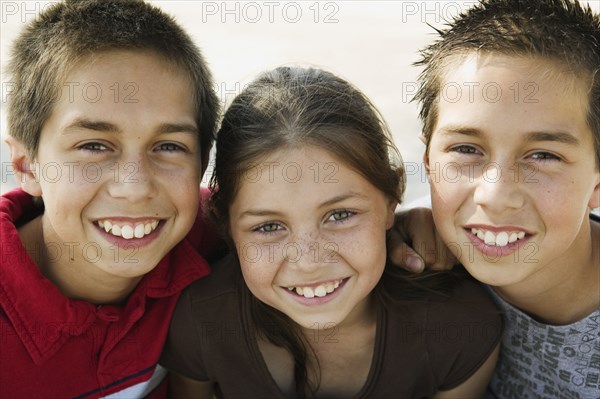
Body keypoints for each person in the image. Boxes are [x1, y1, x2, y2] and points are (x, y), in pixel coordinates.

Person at [160, 66, 503, 398]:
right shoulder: (202, 322)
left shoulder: (457, 329)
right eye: (268, 226)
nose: (309, 261)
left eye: (340, 215)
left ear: (391, 197)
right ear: (225, 223)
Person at [0, 0, 220, 397]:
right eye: (94, 146)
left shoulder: (226, 235)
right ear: (27, 166)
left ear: (202, 164)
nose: (134, 188)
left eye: (169, 147)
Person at [405, 0, 600, 397]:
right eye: (465, 149)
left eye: (544, 156)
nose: (494, 197)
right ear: (428, 163)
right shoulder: (403, 261)